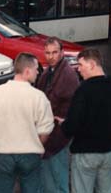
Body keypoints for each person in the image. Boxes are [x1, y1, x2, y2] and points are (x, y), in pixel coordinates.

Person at [61, 48, 111, 193]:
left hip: (85, 153)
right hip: (108, 153)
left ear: (91, 65)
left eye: (80, 65)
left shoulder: (83, 91)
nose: (78, 70)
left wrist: (64, 125)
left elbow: (72, 125)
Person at [0, 53, 54, 193]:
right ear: (27, 71)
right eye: (36, 68)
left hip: (5, 154)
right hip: (30, 154)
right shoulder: (38, 96)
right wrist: (36, 144)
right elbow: (46, 129)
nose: (38, 72)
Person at [34, 37, 80, 193]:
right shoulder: (50, 72)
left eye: (54, 52)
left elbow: (57, 103)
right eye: (47, 53)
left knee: (58, 178)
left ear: (62, 53)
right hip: (50, 133)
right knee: (49, 178)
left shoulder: (67, 75)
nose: (50, 56)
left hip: (59, 135)